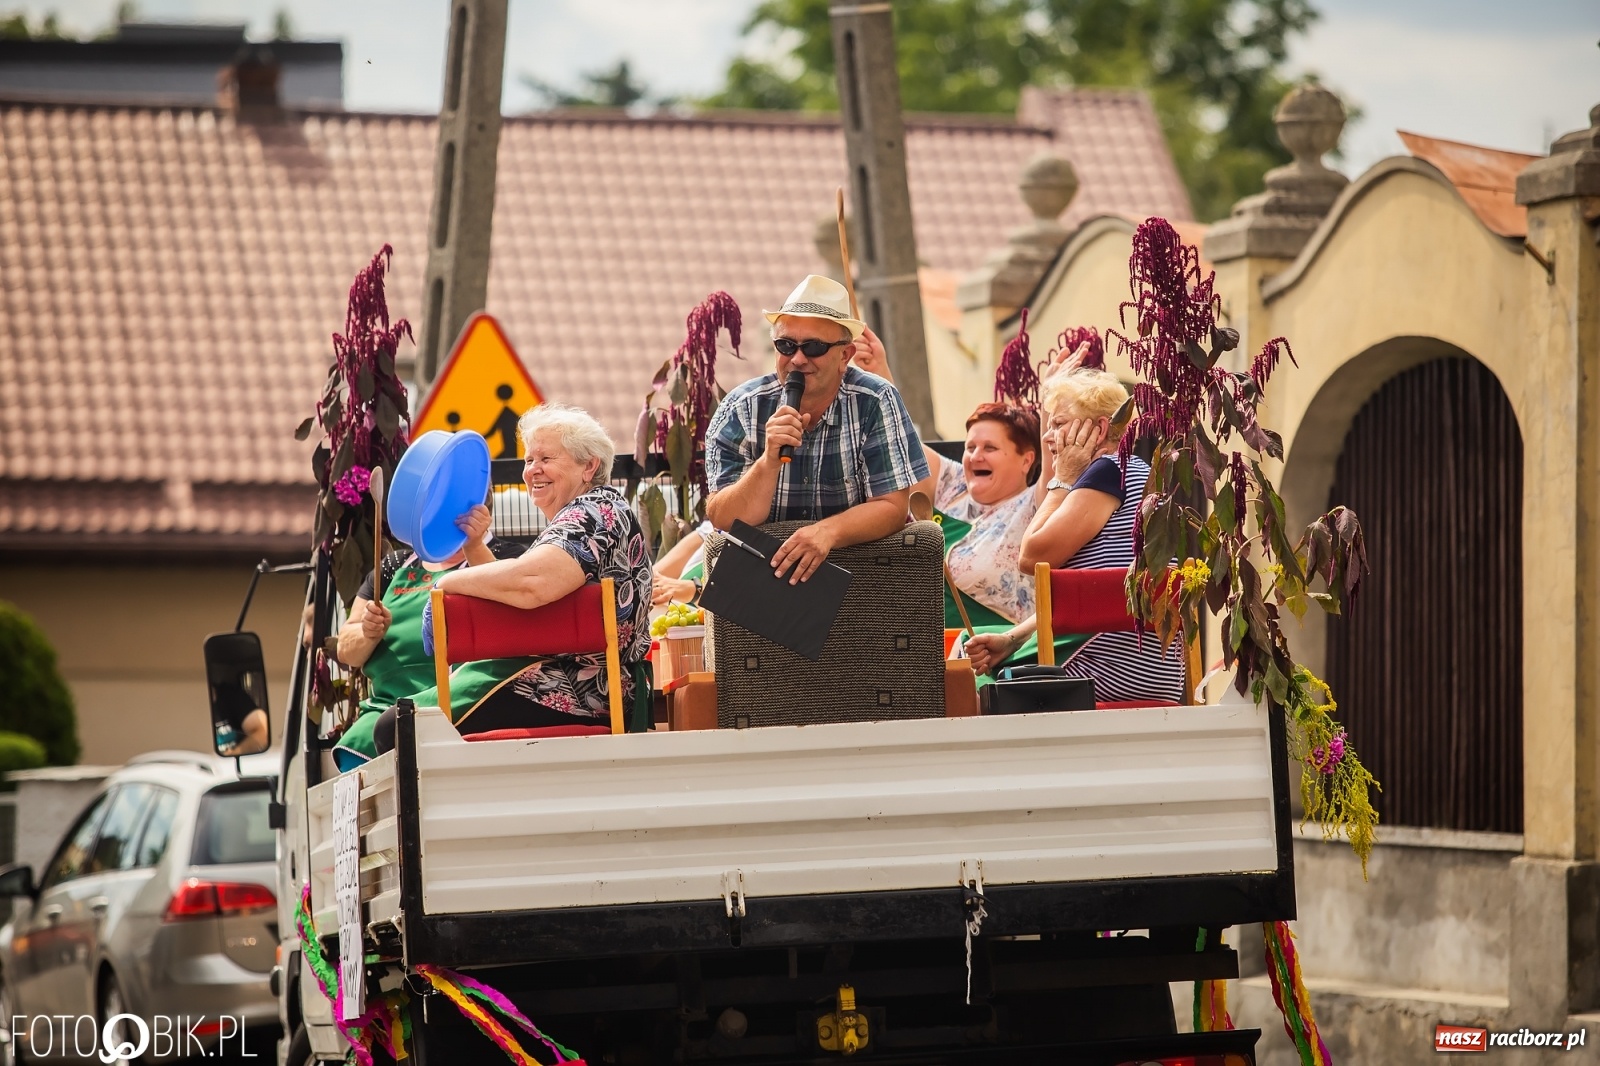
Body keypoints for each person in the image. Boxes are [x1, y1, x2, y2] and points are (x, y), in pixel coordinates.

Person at [372, 402, 652, 749]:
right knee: (398, 724)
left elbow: (532, 584)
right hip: (575, 684)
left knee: (394, 728)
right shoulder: (592, 511)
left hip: (579, 690)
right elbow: (521, 591)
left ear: (589, 466)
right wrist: (474, 548)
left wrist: (445, 583)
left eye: (546, 459)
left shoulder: (594, 513)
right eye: (529, 460)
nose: (533, 470)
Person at [965, 368, 1185, 703]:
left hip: (1105, 670)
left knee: (969, 693)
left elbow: (1032, 557)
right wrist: (1012, 639)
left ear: (1098, 429)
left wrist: (1061, 479)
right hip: (1157, 673)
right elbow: (1089, 598)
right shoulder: (1138, 471)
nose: (1047, 437)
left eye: (1059, 424)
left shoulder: (1108, 470)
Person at [704, 274, 929, 584]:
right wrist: (768, 462)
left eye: (813, 347)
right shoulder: (741, 408)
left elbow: (892, 507)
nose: (797, 359)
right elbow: (722, 517)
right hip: (761, 585)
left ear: (845, 356)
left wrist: (826, 533)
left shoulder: (876, 401)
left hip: (858, 579)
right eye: (785, 345)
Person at [330, 503, 502, 770]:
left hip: (461, 700)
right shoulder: (393, 566)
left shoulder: (505, 556)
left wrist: (475, 546)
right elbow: (346, 649)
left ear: (482, 506)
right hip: (385, 706)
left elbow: (507, 608)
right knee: (356, 754)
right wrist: (368, 631)